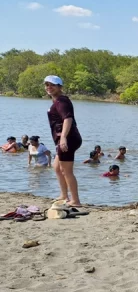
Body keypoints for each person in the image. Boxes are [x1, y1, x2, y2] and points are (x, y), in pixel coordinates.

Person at [45, 75, 83, 206]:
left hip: (68, 138)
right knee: (57, 167)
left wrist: (63, 138)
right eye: (47, 85)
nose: (49, 87)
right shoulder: (57, 101)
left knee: (67, 171)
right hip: (65, 138)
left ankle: (75, 201)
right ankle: (64, 195)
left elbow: (68, 119)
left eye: (52, 85)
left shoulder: (61, 101)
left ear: (60, 87)